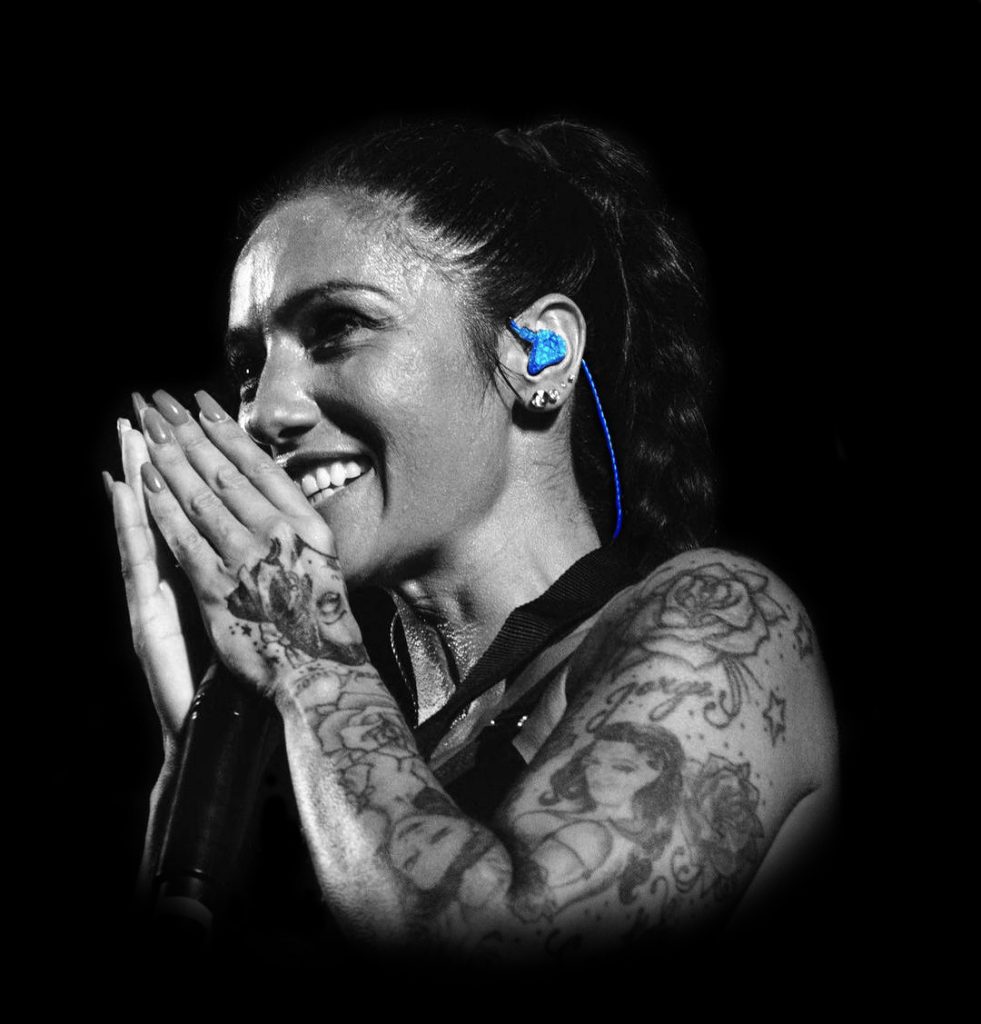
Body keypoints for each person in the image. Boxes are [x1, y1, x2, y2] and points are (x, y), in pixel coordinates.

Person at [105, 118, 838, 971]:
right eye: (247, 367)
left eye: (337, 327)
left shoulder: (725, 621)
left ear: (540, 354)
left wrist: (306, 656)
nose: (264, 411)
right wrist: (198, 790)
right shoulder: (331, 756)